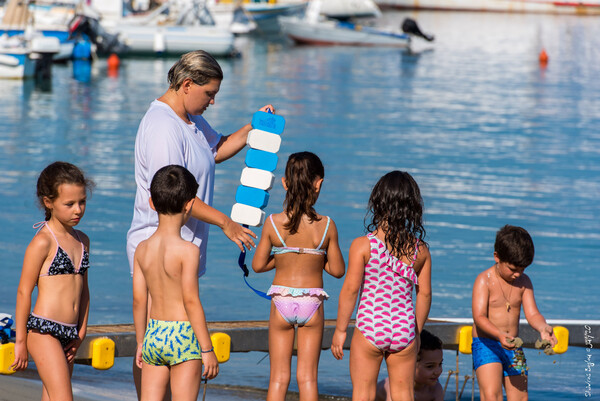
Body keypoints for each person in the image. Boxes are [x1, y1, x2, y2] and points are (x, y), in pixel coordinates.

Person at [126, 50, 273, 398]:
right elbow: (172, 193)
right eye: (209, 94)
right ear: (187, 84)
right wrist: (227, 223)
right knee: (151, 347)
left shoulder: (190, 120)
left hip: (183, 246)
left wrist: (253, 128)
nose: (212, 102)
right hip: (157, 245)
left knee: (163, 337)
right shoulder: (163, 126)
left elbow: (217, 149)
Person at [331, 171, 432, 401]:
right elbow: (424, 294)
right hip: (404, 327)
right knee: (403, 394)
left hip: (371, 324)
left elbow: (350, 290)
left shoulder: (363, 246)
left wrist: (340, 330)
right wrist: (415, 332)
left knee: (363, 394)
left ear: (377, 202)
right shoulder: (421, 250)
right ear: (411, 207)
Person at [252, 152, 345, 401]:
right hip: (312, 305)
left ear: (284, 183)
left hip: (281, 299)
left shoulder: (273, 223)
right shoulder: (327, 225)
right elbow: (337, 271)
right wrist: (317, 258)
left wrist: (284, 257)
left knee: (278, 378)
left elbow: (258, 266)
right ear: (319, 183)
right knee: (307, 378)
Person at [133, 165, 218, 401]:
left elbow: (139, 300)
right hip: (183, 334)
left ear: (151, 202)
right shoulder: (188, 251)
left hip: (154, 334)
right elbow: (191, 301)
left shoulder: (142, 250)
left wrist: (141, 341)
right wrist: (207, 349)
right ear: (189, 205)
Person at [11, 161, 94, 401]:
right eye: (69, 204)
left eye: (82, 202)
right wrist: (20, 342)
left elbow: (84, 291)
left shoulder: (83, 241)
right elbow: (24, 292)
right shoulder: (43, 242)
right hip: (44, 330)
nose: (77, 210)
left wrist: (81, 330)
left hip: (70, 333)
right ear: (49, 202)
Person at [471, 225, 557, 401]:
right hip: (486, 344)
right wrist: (499, 334)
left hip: (514, 347)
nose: (518, 274)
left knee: (520, 397)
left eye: (523, 269)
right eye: (512, 269)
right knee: (491, 396)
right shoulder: (484, 280)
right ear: (497, 257)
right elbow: (479, 317)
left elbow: (533, 314)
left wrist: (543, 328)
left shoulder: (524, 282)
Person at [375, 329, 444, 401]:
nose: (438, 371)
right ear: (410, 364)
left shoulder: (435, 389)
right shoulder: (393, 387)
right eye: (430, 366)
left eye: (440, 364)